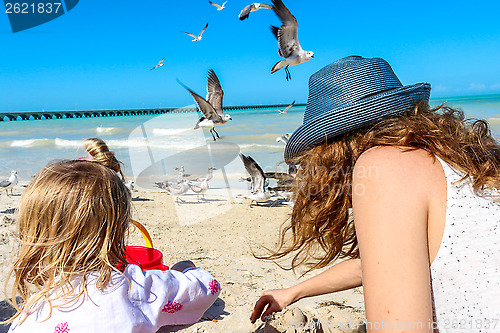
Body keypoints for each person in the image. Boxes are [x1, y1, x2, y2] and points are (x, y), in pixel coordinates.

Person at [251, 56, 500, 332]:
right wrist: (293, 292)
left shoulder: (385, 165)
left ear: (331, 150)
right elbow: (378, 264)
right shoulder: (462, 163)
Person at [3, 153, 220, 332]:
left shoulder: (33, 309)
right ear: (117, 233)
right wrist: (187, 269)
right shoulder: (131, 286)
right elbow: (207, 288)